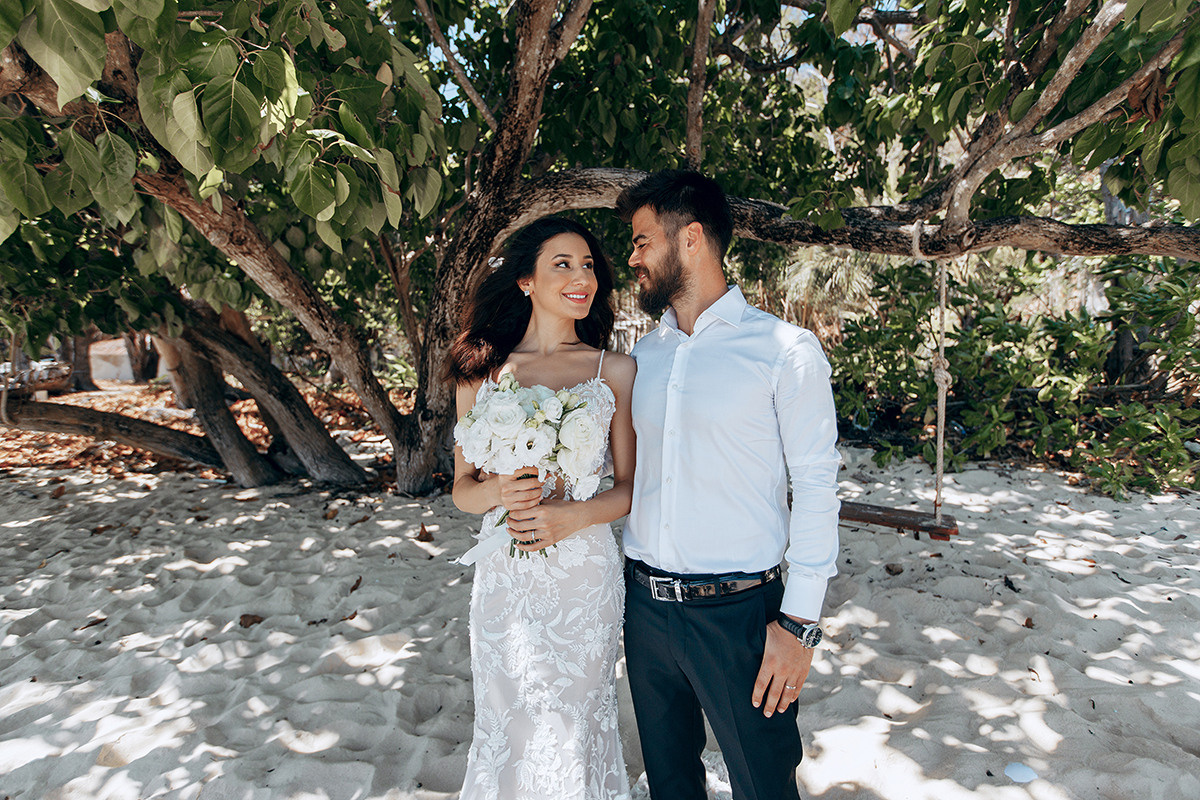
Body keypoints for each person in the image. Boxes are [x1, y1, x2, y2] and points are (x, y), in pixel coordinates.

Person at [616, 170, 840, 800]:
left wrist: (799, 625)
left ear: (691, 239)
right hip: (646, 610)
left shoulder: (783, 351)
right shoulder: (644, 356)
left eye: (640, 241)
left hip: (741, 617)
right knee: (671, 786)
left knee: (764, 786)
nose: (632, 257)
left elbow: (818, 488)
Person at [445, 216, 637, 799]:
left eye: (589, 267)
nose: (582, 278)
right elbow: (462, 490)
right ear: (526, 280)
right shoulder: (483, 371)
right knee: (508, 720)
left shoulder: (615, 370)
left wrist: (574, 517)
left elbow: (631, 487)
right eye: (563, 264)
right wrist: (501, 492)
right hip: (507, 576)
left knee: (574, 723)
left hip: (584, 576)